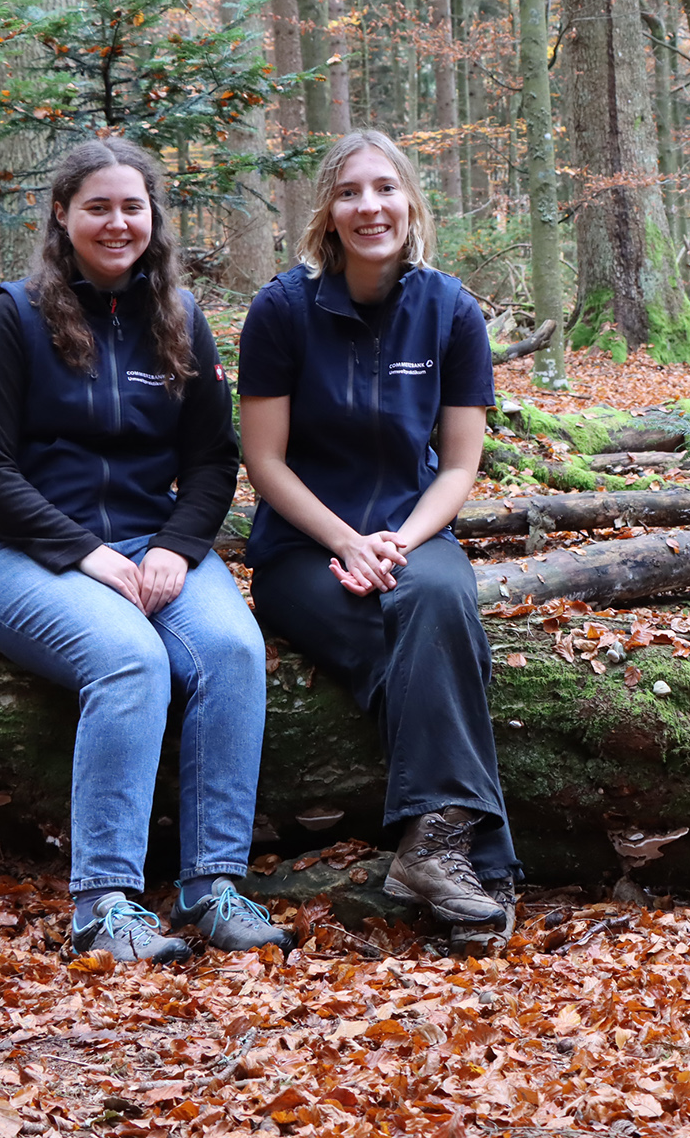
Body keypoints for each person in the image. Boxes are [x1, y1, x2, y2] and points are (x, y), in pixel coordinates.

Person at [0, 137, 294, 963]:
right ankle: (104, 905)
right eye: (97, 207)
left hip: (154, 543)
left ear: (154, 218)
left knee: (231, 649)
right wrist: (85, 555)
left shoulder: (178, 319)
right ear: (63, 214)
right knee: (131, 659)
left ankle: (213, 887)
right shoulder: (17, 315)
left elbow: (214, 461)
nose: (116, 223)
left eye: (131, 207)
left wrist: (180, 546)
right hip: (20, 554)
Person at [239, 129, 518, 930]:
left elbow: (460, 466)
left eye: (386, 189)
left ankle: (431, 856)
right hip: (303, 552)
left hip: (414, 534)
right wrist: (345, 542)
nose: (371, 207)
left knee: (438, 603)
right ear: (328, 212)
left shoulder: (452, 310)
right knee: (433, 652)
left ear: (411, 203)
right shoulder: (281, 311)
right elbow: (264, 462)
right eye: (352, 192)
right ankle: (471, 865)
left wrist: (399, 538)